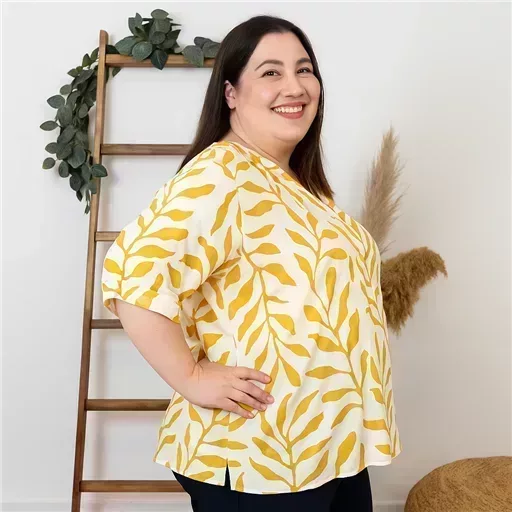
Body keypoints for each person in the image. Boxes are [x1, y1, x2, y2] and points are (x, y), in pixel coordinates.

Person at [101, 14, 401, 512]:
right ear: (231, 93)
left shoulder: (296, 182)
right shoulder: (221, 175)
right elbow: (134, 274)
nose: (295, 86)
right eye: (270, 72)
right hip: (259, 454)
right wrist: (192, 377)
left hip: (325, 445)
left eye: (304, 69)